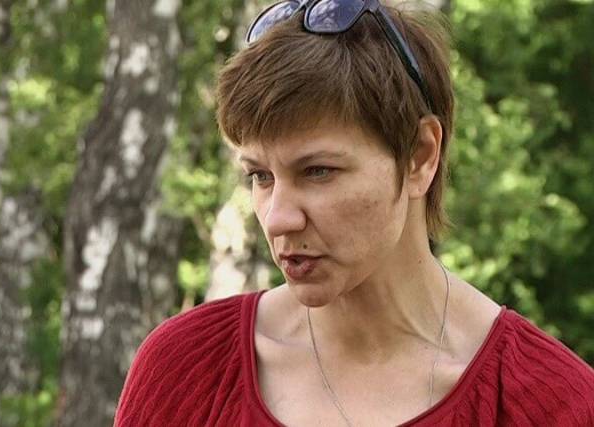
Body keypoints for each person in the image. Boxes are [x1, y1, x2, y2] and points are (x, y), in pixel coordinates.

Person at [113, 1, 594, 426]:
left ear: (420, 156)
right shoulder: (187, 369)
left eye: (318, 171)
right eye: (260, 176)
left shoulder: (552, 403)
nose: (278, 219)